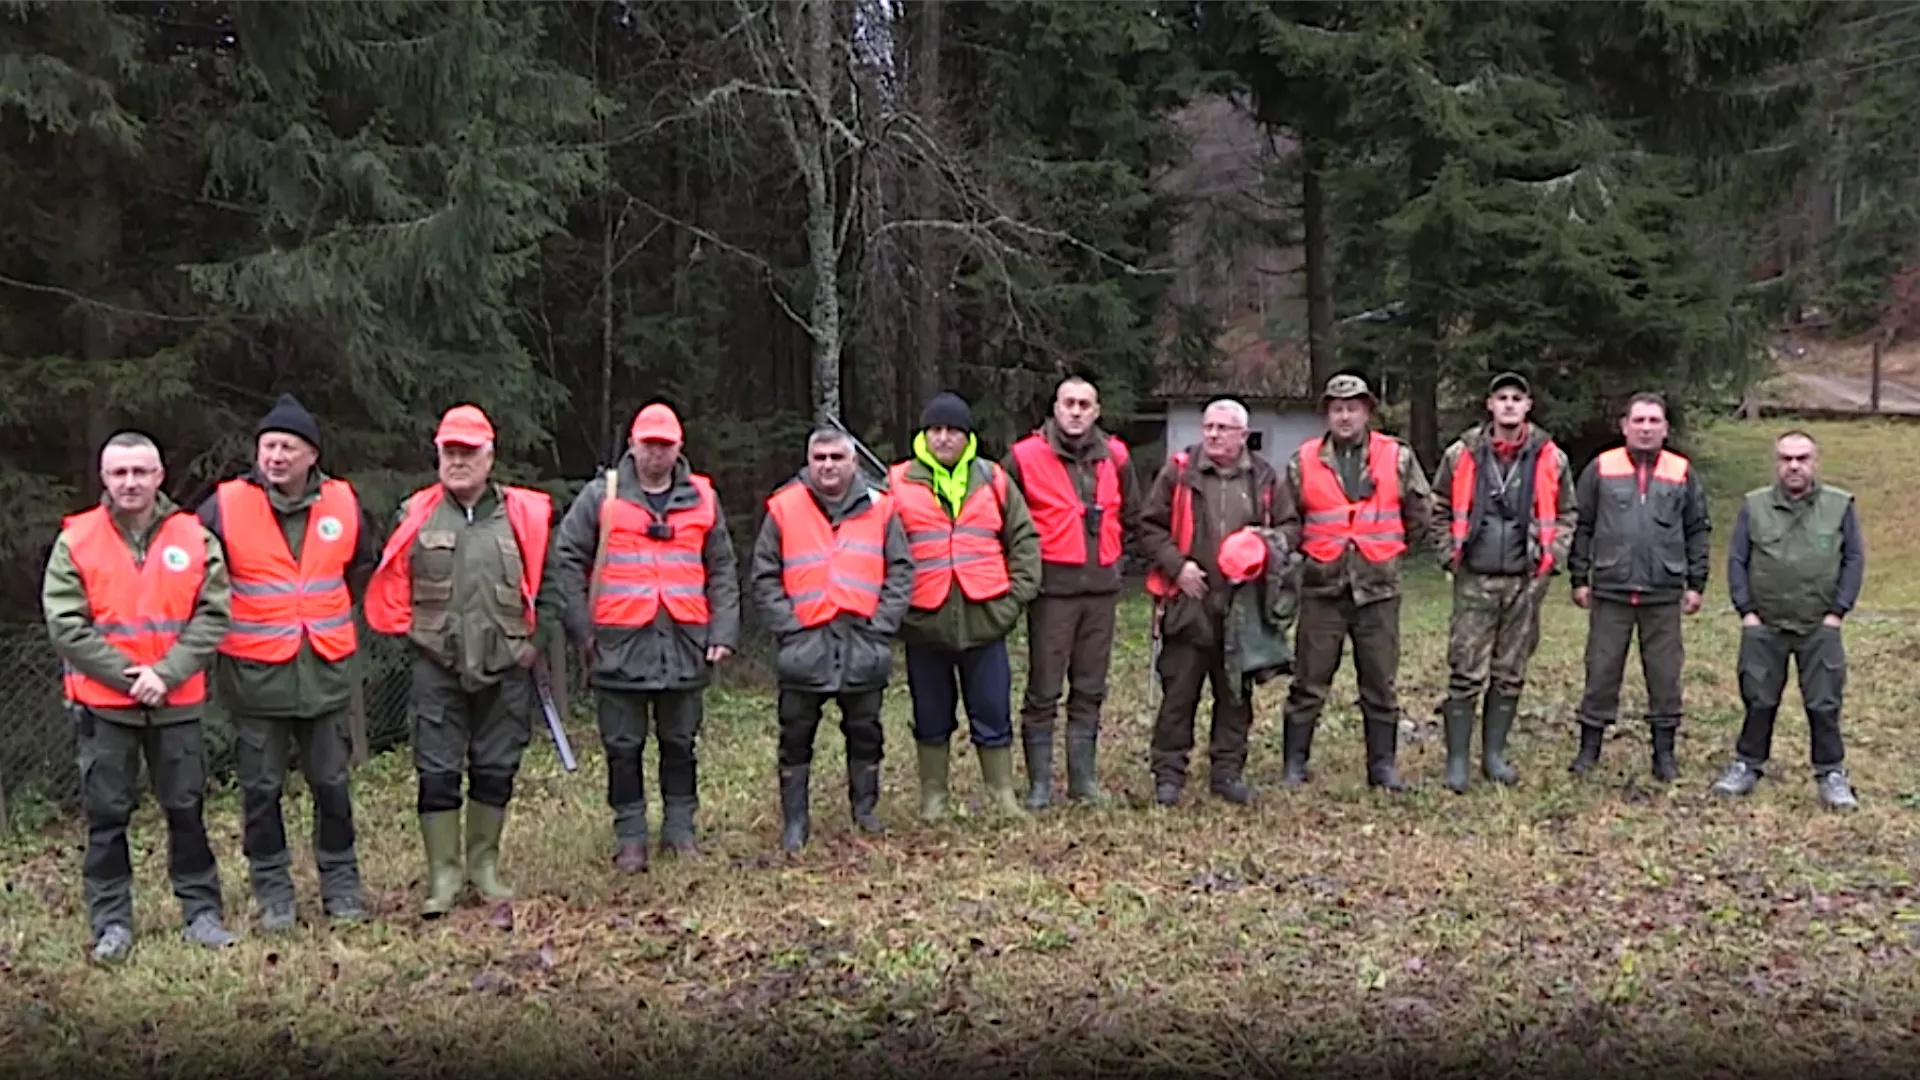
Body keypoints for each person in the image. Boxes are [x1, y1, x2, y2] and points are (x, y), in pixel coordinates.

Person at [362, 405, 566, 918]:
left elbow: (552, 586)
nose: (458, 460)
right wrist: (412, 636)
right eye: (450, 451)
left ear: (489, 454)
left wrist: (532, 641)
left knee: (497, 768)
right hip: (437, 667)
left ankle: (484, 869)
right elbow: (390, 580)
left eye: (468, 451)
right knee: (436, 771)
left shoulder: (525, 514)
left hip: (507, 667)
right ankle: (444, 877)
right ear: (437, 453)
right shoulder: (413, 514)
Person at [43, 431, 237, 962]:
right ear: (104, 478)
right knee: (107, 817)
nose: (130, 482)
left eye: (140, 472)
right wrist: (132, 678)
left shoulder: (194, 537)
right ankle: (111, 924)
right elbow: (66, 626)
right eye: (119, 473)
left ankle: (201, 914)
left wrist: (167, 674)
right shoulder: (76, 540)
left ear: (159, 476)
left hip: (177, 704)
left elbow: (213, 614)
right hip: (105, 706)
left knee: (187, 810)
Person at [196, 394, 382, 931]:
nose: (275, 456)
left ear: (311, 455)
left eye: (287, 447)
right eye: (268, 446)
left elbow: (360, 568)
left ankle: (342, 887)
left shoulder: (344, 503)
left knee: (332, 785)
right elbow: (197, 577)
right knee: (260, 791)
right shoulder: (224, 505)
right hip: (256, 679)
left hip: (324, 675)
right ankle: (273, 893)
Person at [553, 403, 741, 872]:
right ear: (632, 445)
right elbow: (566, 559)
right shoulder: (601, 496)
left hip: (684, 643)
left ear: (679, 447)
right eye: (647, 444)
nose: (655, 453)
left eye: (665, 444)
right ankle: (631, 839)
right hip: (618, 645)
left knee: (681, 743)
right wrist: (582, 628)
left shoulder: (703, 499)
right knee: (622, 747)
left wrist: (723, 631)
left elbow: (722, 568)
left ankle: (680, 832)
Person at [751, 427, 915, 851]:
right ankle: (795, 822)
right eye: (819, 457)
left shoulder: (881, 508)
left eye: (836, 458)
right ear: (808, 461)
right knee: (795, 733)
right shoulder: (783, 508)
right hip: (804, 643)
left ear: (853, 462)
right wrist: (788, 626)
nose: (827, 465)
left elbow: (901, 570)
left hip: (863, 641)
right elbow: (764, 574)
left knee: (865, 730)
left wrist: (882, 624)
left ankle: (865, 810)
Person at [1277, 374, 1434, 792]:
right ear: (1327, 414)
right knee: (1309, 682)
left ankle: (1382, 769)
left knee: (1380, 682)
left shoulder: (1397, 456)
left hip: (1377, 588)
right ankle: (1295, 764)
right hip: (1321, 587)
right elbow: (1288, 519)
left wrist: (1387, 553)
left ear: (1367, 411)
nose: (1345, 416)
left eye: (1353, 407)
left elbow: (1421, 512)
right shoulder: (1302, 460)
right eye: (1337, 408)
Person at [890, 393, 1043, 820]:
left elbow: (1024, 539)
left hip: (985, 618)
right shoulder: (898, 482)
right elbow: (878, 548)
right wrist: (896, 610)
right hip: (924, 620)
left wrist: (1015, 599)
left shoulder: (993, 479)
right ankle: (933, 799)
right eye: (935, 430)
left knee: (992, 708)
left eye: (952, 430)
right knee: (930, 713)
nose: (943, 438)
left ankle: (1002, 795)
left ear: (966, 436)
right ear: (924, 435)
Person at [1140, 397, 1291, 806]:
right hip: (1189, 603)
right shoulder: (1180, 471)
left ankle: (1227, 772)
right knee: (1179, 693)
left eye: (1223, 428)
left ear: (1243, 435)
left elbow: (1290, 529)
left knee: (1235, 696)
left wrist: (1261, 549)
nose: (1213, 434)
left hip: (1243, 607)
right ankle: (1168, 774)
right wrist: (1178, 567)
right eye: (1208, 426)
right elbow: (1149, 526)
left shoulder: (1264, 478)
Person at [1430, 373, 1577, 793]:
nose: (1509, 405)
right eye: (1502, 398)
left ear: (1528, 406)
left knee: (1511, 672)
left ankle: (1493, 755)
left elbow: (1568, 513)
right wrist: (1446, 551)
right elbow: (1438, 505)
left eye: (1517, 398)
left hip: (1525, 581)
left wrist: (1553, 558)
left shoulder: (1552, 457)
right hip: (1474, 578)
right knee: (1464, 671)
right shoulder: (1461, 454)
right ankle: (1457, 760)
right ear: (1489, 405)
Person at [1003, 376, 1141, 808]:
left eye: (1085, 404)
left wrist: (1120, 563)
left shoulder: (1116, 456)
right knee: (1043, 689)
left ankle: (1083, 781)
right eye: (1069, 403)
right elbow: (1001, 519)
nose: (1076, 411)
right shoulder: (1024, 457)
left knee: (1091, 687)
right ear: (1055, 408)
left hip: (1101, 591)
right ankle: (1040, 785)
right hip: (1051, 593)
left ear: (1097, 411)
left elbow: (1133, 516)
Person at [1711, 430, 1862, 810]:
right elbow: (1737, 559)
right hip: (1765, 624)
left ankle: (1831, 773)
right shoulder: (1754, 505)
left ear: (1815, 461)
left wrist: (1837, 612)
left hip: (1818, 625)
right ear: (1776, 463)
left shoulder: (1839, 505)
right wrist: (1746, 611)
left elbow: (1853, 560)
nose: (1794, 466)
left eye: (1802, 458)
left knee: (1824, 702)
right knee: (1758, 698)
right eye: (1786, 458)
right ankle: (1747, 764)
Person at [1566, 391, 1711, 781]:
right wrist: (1579, 578)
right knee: (1601, 670)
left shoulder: (1681, 471)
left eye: (1654, 422)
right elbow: (1582, 525)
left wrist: (1696, 582)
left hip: (1664, 592)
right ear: (1624, 426)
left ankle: (1663, 754)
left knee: (1665, 675)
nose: (1646, 428)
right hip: (1610, 591)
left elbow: (1697, 529)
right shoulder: (1600, 467)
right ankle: (1588, 749)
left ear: (1665, 429)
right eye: (1639, 421)